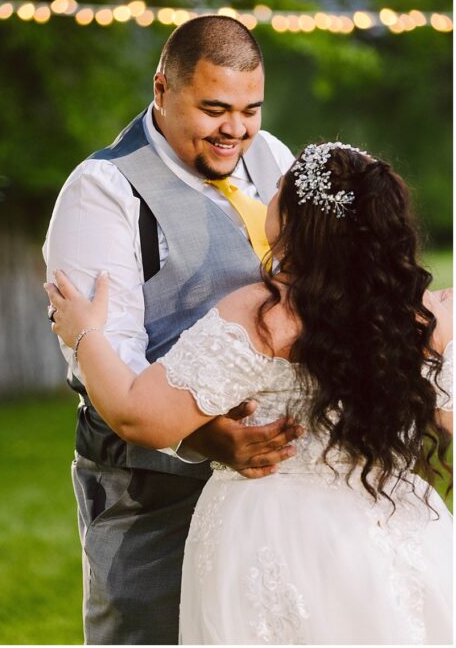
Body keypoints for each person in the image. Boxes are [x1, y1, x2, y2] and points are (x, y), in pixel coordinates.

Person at [46, 142, 453, 644]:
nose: (268, 191)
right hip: (392, 525)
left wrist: (84, 334)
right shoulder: (426, 319)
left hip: (272, 542)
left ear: (298, 220)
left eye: (279, 188)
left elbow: (136, 416)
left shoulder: (263, 317)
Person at [42, 15, 303, 644]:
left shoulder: (271, 160)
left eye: (249, 110)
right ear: (161, 89)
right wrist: (210, 441)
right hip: (150, 494)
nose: (235, 130)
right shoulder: (103, 190)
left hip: (277, 490)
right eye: (214, 109)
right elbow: (105, 355)